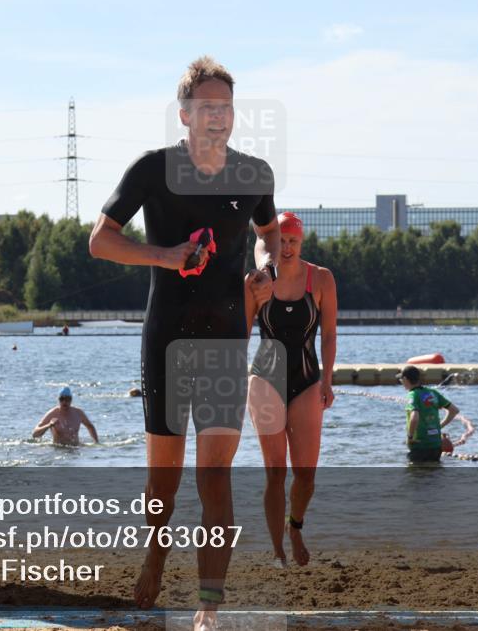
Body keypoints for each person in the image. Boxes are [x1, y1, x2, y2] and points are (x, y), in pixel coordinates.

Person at [89, 56, 280, 627]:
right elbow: (101, 241)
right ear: (185, 114)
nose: (218, 117)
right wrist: (163, 256)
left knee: (215, 477)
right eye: (207, 108)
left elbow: (267, 234)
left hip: (226, 339)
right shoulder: (152, 169)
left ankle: (208, 605)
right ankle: (155, 548)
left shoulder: (254, 175)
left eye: (225, 107)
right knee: (163, 478)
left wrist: (265, 269)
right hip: (166, 338)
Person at [245, 212, 337, 568]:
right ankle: (277, 550)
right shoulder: (257, 280)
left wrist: (327, 380)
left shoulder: (322, 280)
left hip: (306, 380)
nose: (286, 247)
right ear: (273, 242)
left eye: (293, 241)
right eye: (280, 240)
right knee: (275, 472)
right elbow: (243, 334)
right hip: (265, 379)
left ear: (301, 243)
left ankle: (294, 526)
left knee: (306, 474)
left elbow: (328, 335)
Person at [397, 366, 460, 463]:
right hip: (435, 444)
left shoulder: (412, 395)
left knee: (415, 475)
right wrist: (439, 426)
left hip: (419, 444)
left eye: (401, 379)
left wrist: (410, 437)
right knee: (434, 473)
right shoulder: (433, 393)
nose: (401, 382)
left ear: (405, 379)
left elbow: (414, 417)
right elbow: (454, 410)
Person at [32, 386, 99, 446]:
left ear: (71, 400)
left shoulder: (78, 413)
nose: (64, 402)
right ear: (58, 400)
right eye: (62, 399)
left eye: (67, 399)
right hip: (59, 450)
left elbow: (90, 426)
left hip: (75, 449)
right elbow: (35, 434)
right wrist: (49, 425)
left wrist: (96, 443)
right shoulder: (52, 414)